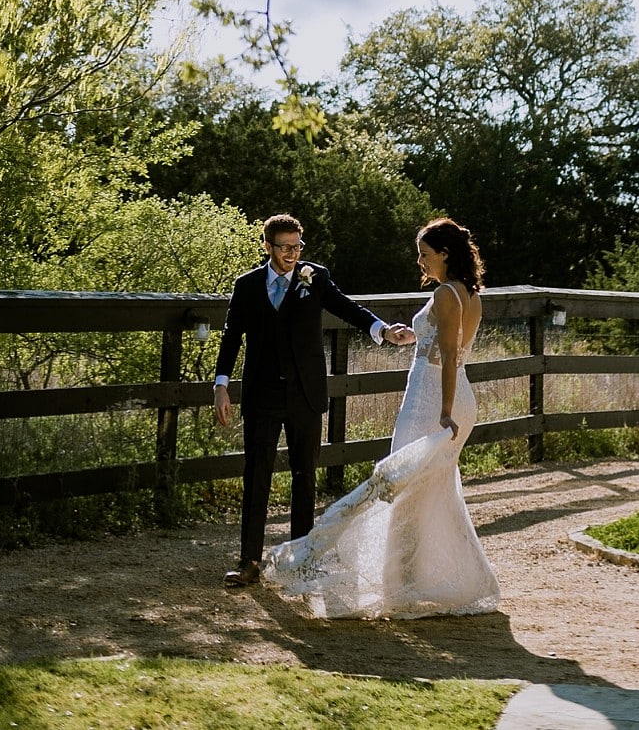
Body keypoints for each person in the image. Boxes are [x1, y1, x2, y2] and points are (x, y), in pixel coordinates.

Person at [265, 217, 503, 618]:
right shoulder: (471, 294)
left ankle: (397, 582)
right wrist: (412, 336)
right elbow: (446, 345)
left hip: (432, 399)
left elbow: (447, 356)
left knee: (396, 489)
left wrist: (443, 412)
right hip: (460, 393)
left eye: (425, 254)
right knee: (432, 492)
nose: (420, 261)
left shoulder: (446, 294)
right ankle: (426, 578)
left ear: (445, 254)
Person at [212, 214, 414, 586]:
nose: (292, 254)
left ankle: (302, 561)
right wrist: (221, 384)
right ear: (267, 246)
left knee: (305, 478)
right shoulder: (247, 286)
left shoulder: (314, 277)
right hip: (262, 395)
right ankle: (249, 562)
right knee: (257, 475)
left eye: (297, 246)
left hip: (305, 393)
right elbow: (231, 337)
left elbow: (347, 307)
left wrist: (383, 330)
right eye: (285, 247)